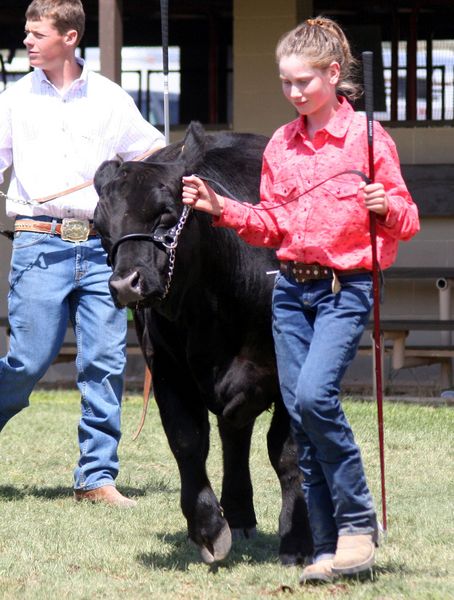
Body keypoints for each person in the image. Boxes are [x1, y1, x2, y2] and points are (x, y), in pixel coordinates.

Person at [182, 17, 419, 583]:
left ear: (333, 75)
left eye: (303, 83)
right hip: (289, 292)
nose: (293, 94)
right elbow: (270, 226)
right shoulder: (281, 147)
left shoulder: (367, 139)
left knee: (312, 400)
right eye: (285, 83)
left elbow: (407, 220)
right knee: (302, 422)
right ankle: (324, 546)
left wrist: (384, 203)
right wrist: (222, 209)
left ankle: (358, 524)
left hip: (344, 290)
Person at [0, 0, 165, 508]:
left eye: (36, 33)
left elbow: (153, 151)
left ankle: (96, 478)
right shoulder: (14, 100)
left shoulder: (111, 99)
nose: (26, 41)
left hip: (100, 249)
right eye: (26, 33)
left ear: (69, 38)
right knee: (27, 362)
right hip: (38, 243)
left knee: (105, 362)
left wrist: (125, 175)